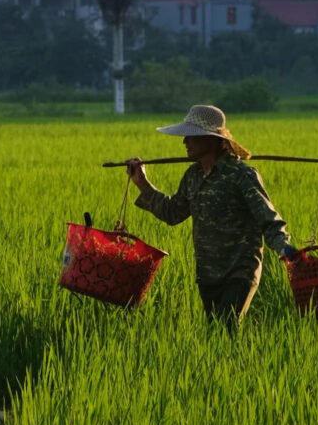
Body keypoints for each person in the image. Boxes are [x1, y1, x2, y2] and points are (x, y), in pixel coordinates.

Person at [125, 104, 297, 330]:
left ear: (211, 139)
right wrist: (142, 183)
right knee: (216, 334)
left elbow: (267, 217)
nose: (185, 141)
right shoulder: (193, 176)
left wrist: (285, 249)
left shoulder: (241, 175)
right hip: (207, 273)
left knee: (227, 326)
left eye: (192, 136)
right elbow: (173, 213)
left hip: (240, 269)